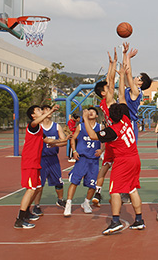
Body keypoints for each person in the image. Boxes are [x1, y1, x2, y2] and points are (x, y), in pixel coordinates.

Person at [83, 102, 145, 235]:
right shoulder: (126, 120)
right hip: (135, 158)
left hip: (123, 161)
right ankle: (139, 220)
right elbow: (122, 105)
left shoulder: (113, 130)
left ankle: (116, 221)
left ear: (110, 117)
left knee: (115, 191)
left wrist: (85, 119)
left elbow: (93, 136)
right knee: (132, 189)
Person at [14, 104, 69, 229]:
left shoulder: (39, 129)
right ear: (33, 115)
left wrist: (64, 140)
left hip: (36, 162)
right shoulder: (32, 126)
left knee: (38, 188)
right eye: (38, 110)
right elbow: (36, 122)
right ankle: (19, 219)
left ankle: (27, 212)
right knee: (31, 189)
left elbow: (48, 140)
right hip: (29, 162)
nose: (42, 111)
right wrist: (51, 111)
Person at [92, 49, 119, 207]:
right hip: (117, 134)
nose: (110, 87)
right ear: (103, 92)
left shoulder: (103, 103)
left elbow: (109, 80)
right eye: (107, 88)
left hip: (109, 136)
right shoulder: (108, 99)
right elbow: (111, 80)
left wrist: (111, 63)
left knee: (106, 165)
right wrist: (113, 64)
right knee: (121, 165)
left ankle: (97, 191)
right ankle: (118, 192)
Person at [64, 107, 102, 216]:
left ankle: (86, 202)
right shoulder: (81, 126)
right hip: (82, 159)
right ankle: (68, 204)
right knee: (74, 181)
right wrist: (74, 151)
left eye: (93, 111)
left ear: (96, 115)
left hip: (94, 160)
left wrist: (102, 150)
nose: (91, 112)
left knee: (93, 184)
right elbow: (73, 138)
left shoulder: (100, 127)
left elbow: (106, 140)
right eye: (89, 111)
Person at [31, 105, 68, 216]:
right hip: (41, 159)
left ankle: (60, 200)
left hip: (53, 158)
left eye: (49, 110)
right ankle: (36, 206)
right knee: (40, 184)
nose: (49, 112)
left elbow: (64, 142)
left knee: (59, 181)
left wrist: (55, 144)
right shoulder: (38, 127)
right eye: (45, 110)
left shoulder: (56, 126)